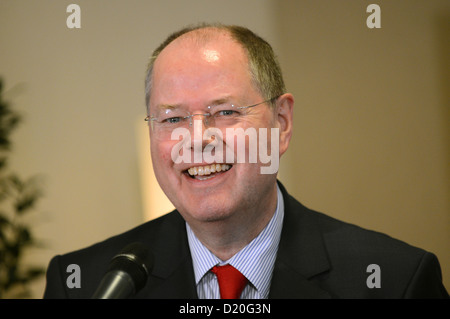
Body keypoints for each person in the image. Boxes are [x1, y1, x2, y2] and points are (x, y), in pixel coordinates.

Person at [43, 23, 448, 299]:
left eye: (226, 111)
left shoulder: (395, 280)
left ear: (282, 123)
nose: (198, 140)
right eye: (173, 118)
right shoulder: (85, 283)